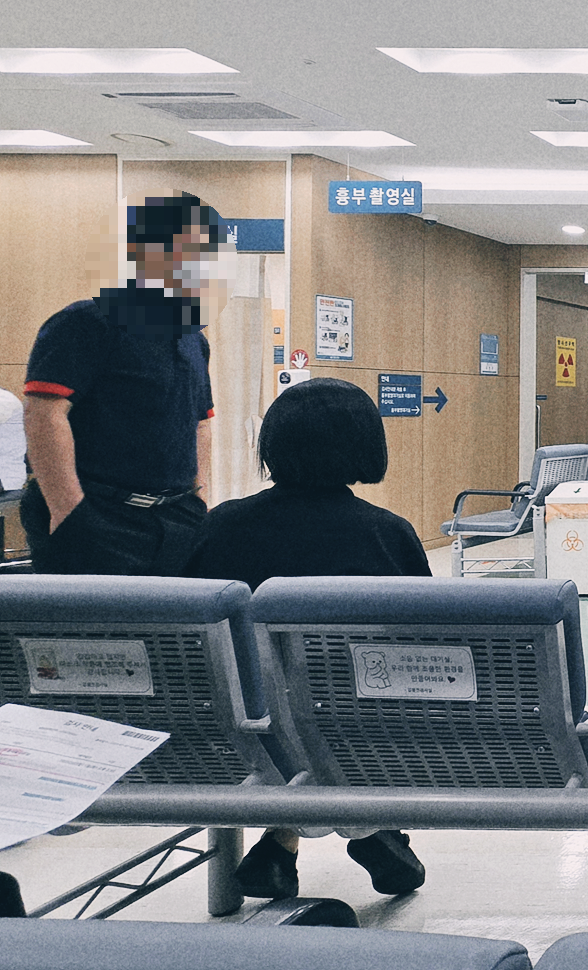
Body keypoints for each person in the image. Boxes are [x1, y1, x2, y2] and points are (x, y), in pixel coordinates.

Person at [181, 377, 430, 899]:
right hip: (357, 731)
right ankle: (369, 830)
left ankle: (285, 842)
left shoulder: (221, 526)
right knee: (331, 714)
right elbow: (422, 649)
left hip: (236, 734)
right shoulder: (387, 534)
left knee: (284, 714)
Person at [19, 195, 218, 575]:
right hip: (99, 515)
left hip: (176, 519)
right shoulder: (86, 322)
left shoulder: (193, 338)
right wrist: (68, 510)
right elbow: (44, 413)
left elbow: (200, 423)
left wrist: (200, 499)